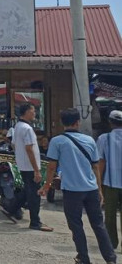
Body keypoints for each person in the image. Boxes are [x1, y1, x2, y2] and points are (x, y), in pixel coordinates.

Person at [40, 108, 117, 264]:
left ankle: (83, 257)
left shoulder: (57, 141)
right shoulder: (89, 140)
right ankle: (110, 259)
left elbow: (51, 167)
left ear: (62, 123)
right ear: (77, 122)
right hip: (91, 189)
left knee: (76, 225)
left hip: (72, 191)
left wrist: (47, 185)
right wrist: (99, 190)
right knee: (98, 225)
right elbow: (95, 167)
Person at [7, 103, 53, 231]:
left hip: (23, 165)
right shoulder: (27, 128)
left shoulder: (18, 126)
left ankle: (11, 208)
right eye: (33, 111)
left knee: (28, 191)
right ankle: (35, 222)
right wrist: (37, 170)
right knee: (34, 194)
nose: (34, 113)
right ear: (27, 112)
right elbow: (29, 149)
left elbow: (14, 145)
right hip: (30, 166)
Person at [97, 110, 122, 250]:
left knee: (110, 215)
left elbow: (101, 163)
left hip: (110, 183)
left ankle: (111, 243)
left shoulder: (104, 138)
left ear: (110, 122)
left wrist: (98, 185)